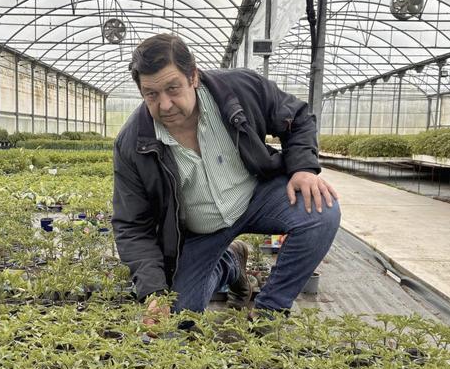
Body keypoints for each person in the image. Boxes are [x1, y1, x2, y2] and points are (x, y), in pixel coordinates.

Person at [111, 33, 340, 324]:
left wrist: (303, 169)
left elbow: (297, 117)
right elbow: (132, 225)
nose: (165, 105)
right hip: (199, 231)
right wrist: (153, 291)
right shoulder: (133, 143)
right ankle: (230, 264)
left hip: (256, 197)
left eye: (173, 88)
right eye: (152, 94)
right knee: (179, 321)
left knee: (321, 210)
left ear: (193, 76)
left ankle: (269, 311)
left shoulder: (239, 89)